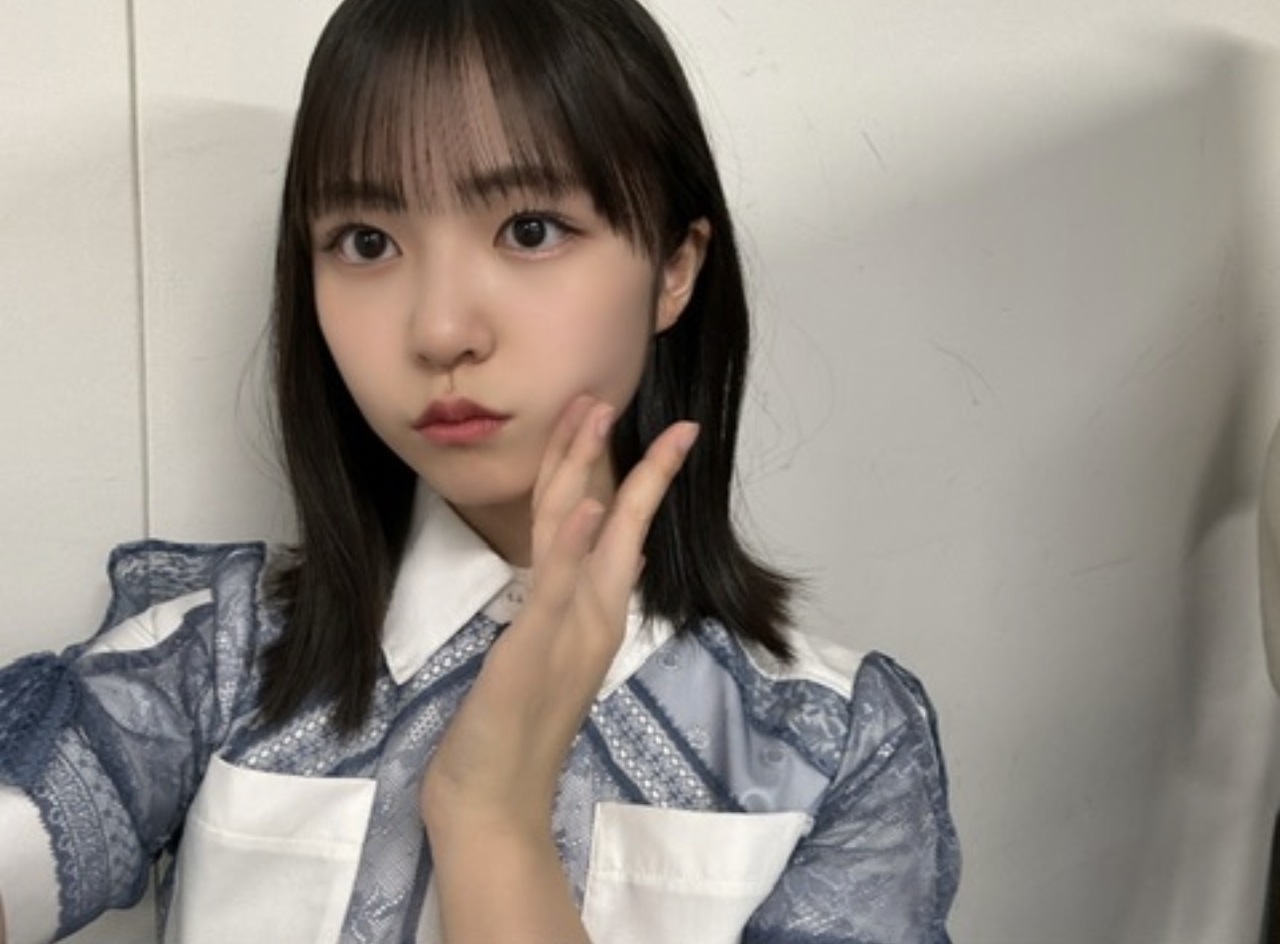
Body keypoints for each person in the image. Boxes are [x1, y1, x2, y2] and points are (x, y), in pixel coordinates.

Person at [0, 0, 961, 941]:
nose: (440, 329)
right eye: (366, 242)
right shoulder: (215, 665)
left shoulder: (829, 746)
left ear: (674, 268)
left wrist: (492, 821)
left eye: (530, 229)